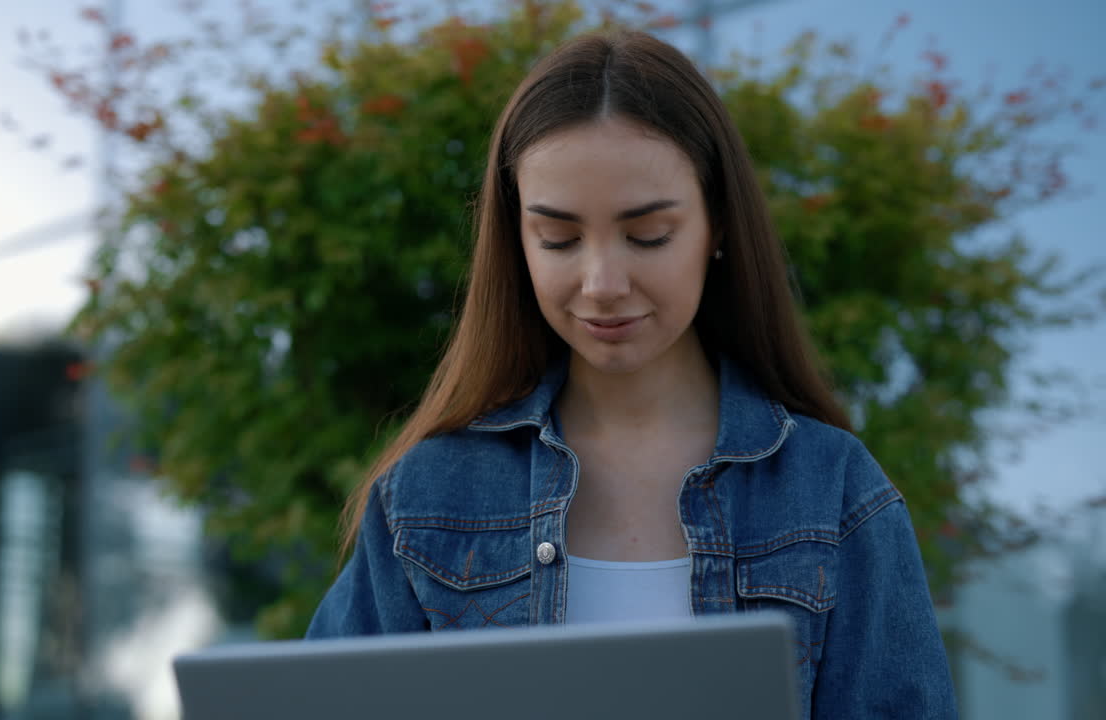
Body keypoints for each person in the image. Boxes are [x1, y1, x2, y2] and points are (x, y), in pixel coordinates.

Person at [306, 29, 957, 719]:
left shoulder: (834, 491)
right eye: (558, 239)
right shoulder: (427, 496)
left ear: (718, 226)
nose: (603, 284)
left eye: (648, 235)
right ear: (517, 240)